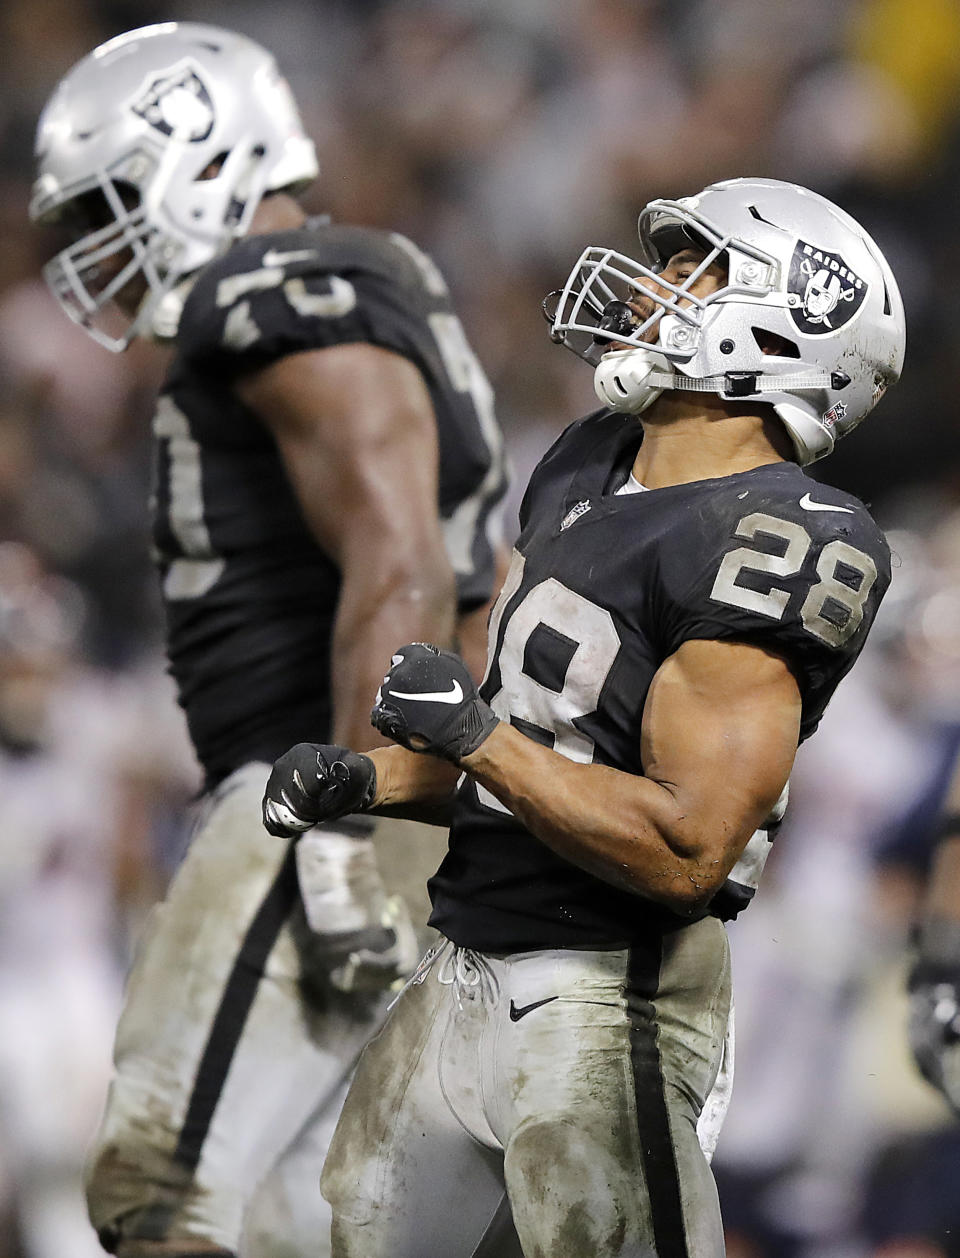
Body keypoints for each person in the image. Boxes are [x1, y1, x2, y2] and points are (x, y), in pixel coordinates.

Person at [263, 176, 905, 1258]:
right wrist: (375, 778)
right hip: (462, 961)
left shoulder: (781, 533)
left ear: (786, 322)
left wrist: (472, 735)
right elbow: (538, 756)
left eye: (697, 270)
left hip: (609, 997)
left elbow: (685, 845)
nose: (658, 288)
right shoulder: (585, 461)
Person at [30, 22, 508, 1258]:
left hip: (312, 787)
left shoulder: (275, 287)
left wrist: (351, 821)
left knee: (162, 1188)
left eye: (111, 202)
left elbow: (399, 558)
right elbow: (475, 575)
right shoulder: (368, 286)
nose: (97, 245)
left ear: (200, 151)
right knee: (298, 1221)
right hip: (404, 797)